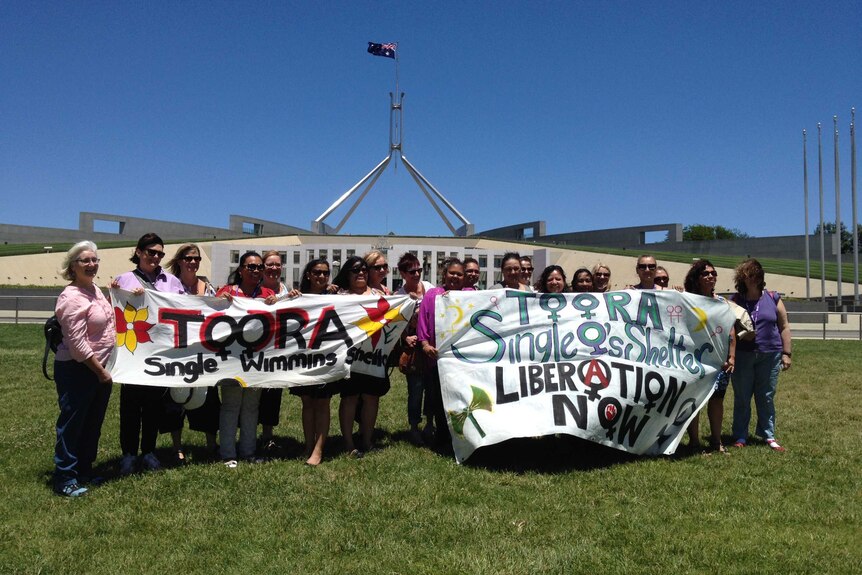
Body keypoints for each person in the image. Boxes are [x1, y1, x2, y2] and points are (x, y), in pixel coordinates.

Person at [112, 233, 185, 475]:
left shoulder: (171, 282)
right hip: (133, 353)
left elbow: (185, 308)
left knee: (154, 407)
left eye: (160, 254)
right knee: (130, 409)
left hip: (160, 354)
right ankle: (129, 454)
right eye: (151, 252)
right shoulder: (123, 279)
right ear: (139, 252)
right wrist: (115, 293)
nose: (155, 257)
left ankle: (149, 451)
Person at [52, 241, 115, 496]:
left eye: (94, 260)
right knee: (73, 423)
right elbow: (77, 345)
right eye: (85, 261)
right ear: (72, 266)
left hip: (101, 368)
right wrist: (100, 371)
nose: (91, 265)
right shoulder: (71, 297)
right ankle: (64, 477)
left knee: (92, 422)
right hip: (79, 369)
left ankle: (84, 469)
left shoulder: (94, 290)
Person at [215, 251, 277, 467]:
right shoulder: (227, 291)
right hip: (231, 359)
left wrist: (277, 303)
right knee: (231, 405)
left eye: (259, 267)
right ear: (240, 270)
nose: (256, 271)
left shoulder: (268, 293)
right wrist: (218, 302)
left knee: (252, 406)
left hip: (257, 360)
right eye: (251, 267)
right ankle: (228, 453)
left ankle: (249, 451)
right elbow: (209, 314)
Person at [160, 244, 219, 462]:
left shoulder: (208, 287)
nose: (193, 262)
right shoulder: (166, 287)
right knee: (175, 400)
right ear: (179, 261)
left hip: (203, 352)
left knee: (209, 399)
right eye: (188, 258)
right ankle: (177, 447)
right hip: (175, 352)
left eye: (196, 259)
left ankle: (212, 444)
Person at [729, 259, 792, 452]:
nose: (751, 277)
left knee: (766, 396)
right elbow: (729, 328)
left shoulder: (773, 297)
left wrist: (786, 353)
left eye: (754, 273)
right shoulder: (735, 300)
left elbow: (784, 326)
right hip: (743, 355)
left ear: (760, 276)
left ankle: (768, 435)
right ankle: (740, 435)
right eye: (747, 274)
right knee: (742, 397)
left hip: (770, 354)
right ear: (742, 278)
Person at [333, 256, 389, 456]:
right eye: (355, 270)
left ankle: (367, 439)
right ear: (347, 274)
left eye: (364, 270)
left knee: (371, 398)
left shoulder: (380, 295)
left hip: (374, 356)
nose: (361, 274)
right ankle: (348, 443)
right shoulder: (339, 296)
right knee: (349, 398)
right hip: (349, 357)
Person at [287, 259, 339, 465]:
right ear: (308, 274)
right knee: (307, 402)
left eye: (326, 273)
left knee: (323, 403)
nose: (321, 277)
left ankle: (318, 449)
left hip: (326, 356)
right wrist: (288, 299)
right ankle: (308, 445)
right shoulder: (297, 296)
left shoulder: (336, 296)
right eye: (317, 272)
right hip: (302, 357)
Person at [683, 259, 736, 453]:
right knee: (694, 401)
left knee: (716, 400)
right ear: (697, 278)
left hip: (719, 361)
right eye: (705, 273)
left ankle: (716, 441)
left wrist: (731, 357)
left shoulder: (722, 303)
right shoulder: (688, 301)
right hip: (694, 360)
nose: (710, 276)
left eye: (713, 273)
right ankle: (694, 442)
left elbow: (730, 331)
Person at [417, 258, 466, 450]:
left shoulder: (471, 294)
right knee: (438, 397)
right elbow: (423, 319)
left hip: (462, 359)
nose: (455, 277)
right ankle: (442, 436)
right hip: (437, 357)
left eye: (459, 274)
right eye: (451, 273)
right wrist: (424, 344)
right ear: (444, 274)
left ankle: (460, 435)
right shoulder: (432, 295)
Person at [394, 253, 435, 444]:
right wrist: (405, 337)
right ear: (402, 273)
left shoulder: (429, 288)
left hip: (431, 345)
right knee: (416, 389)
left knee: (432, 387)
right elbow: (393, 323)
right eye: (412, 271)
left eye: (419, 269)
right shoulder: (398, 296)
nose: (417, 273)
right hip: (414, 350)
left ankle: (430, 423)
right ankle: (414, 426)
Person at [258, 250, 288, 455]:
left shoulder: (287, 291)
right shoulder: (253, 291)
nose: (274, 268)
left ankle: (267, 436)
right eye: (270, 264)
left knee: (272, 395)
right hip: (254, 351)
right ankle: (249, 437)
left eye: (277, 264)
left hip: (276, 351)